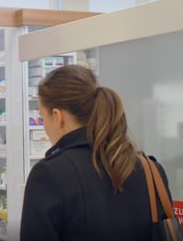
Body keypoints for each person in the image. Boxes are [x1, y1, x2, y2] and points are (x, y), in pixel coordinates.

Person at [20, 64, 172, 241]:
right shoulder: (151, 169)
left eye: (42, 116)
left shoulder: (49, 175)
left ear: (58, 116)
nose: (43, 124)